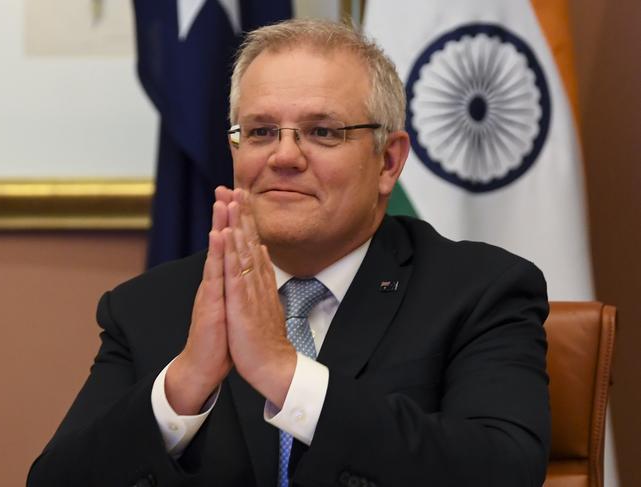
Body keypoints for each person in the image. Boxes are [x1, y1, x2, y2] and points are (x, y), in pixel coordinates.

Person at [28, 19, 550, 487]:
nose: (283, 156)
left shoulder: (480, 290)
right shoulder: (148, 307)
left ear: (388, 161)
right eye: (259, 132)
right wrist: (185, 384)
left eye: (322, 132)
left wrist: (286, 375)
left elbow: (504, 471)